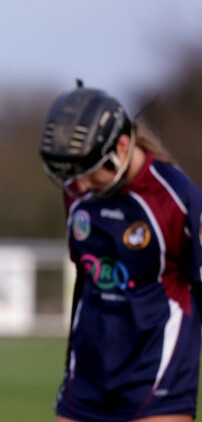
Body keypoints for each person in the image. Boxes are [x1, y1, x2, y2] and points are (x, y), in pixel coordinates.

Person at [39, 83, 202, 422]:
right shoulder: (77, 190)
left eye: (86, 172)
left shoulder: (177, 198)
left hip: (157, 378)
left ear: (122, 147)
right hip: (86, 376)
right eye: (71, 174)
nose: (78, 186)